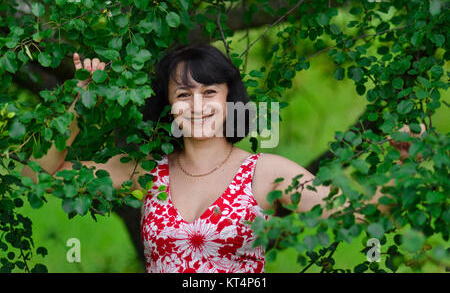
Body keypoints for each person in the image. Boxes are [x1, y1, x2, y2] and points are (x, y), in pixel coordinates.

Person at [21, 43, 424, 273]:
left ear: (231, 100)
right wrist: (78, 100)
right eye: (182, 94)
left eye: (210, 92)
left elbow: (361, 216)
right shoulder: (145, 172)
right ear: (167, 106)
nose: (197, 105)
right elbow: (39, 176)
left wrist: (408, 163)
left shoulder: (267, 174)